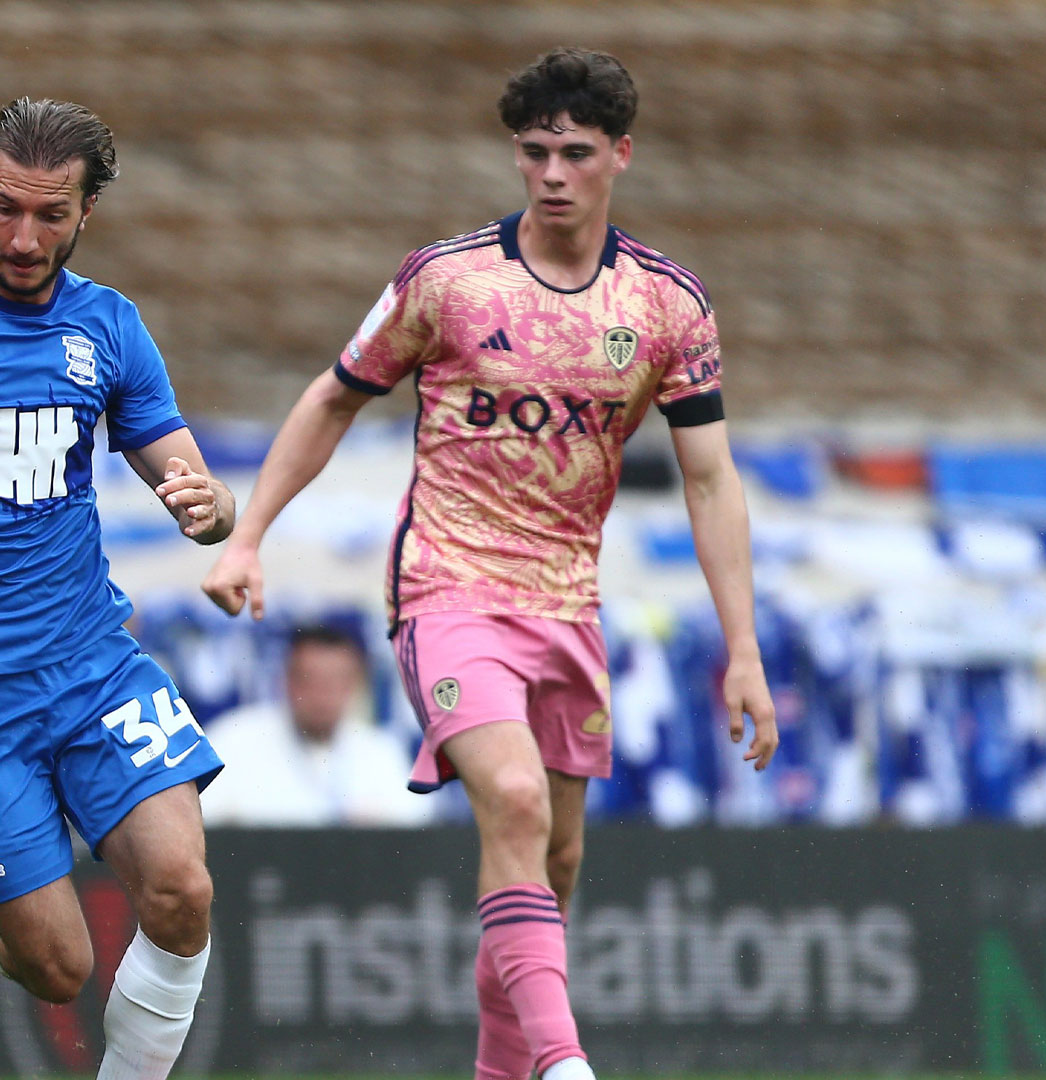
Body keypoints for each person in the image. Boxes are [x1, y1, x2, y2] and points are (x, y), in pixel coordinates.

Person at [202, 49, 779, 1080]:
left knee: (551, 867)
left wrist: (744, 648)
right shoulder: (449, 281)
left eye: (576, 152)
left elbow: (708, 481)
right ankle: (566, 1065)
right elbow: (336, 393)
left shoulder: (667, 309)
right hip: (448, 585)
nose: (553, 172)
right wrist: (250, 535)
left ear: (621, 156)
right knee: (510, 800)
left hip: (568, 604)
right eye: (534, 151)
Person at [0, 98, 233, 1080]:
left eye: (50, 216)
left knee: (181, 890)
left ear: (87, 216)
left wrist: (207, 508)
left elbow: (189, 479)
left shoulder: (109, 326)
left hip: (91, 661)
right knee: (62, 969)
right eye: (5, 210)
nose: (23, 238)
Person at [200, 625, 430, 827]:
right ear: (286, 680)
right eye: (311, 680)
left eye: (335, 682)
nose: (323, 695)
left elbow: (415, 830)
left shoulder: (379, 751)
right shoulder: (234, 739)